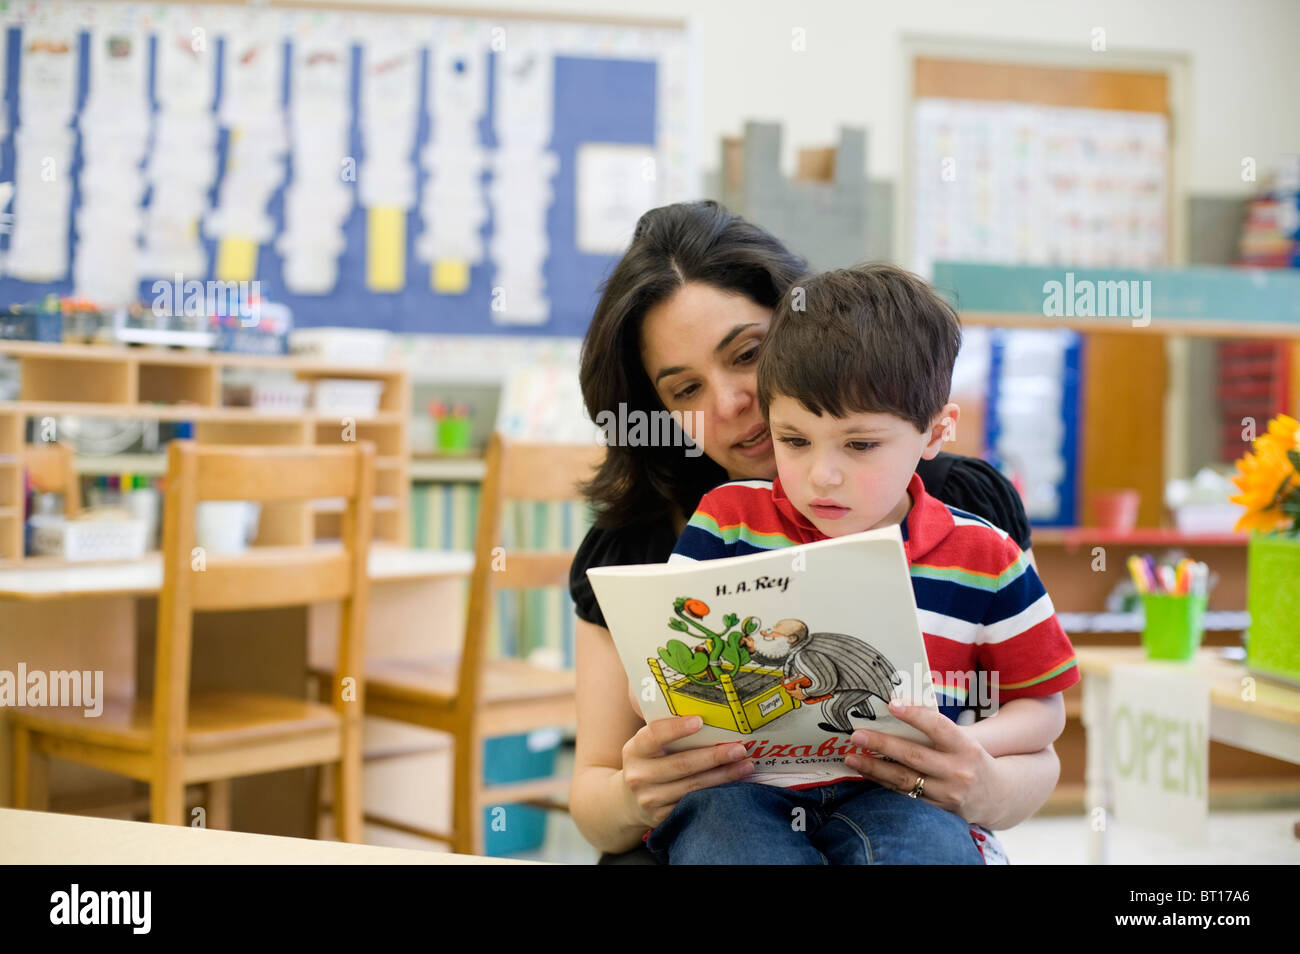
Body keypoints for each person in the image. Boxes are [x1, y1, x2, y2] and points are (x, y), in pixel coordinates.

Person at [568, 200, 1063, 864]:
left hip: (908, 811)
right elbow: (597, 802)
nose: (730, 404)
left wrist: (983, 779)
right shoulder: (672, 532)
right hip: (726, 815)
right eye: (684, 390)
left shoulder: (972, 521)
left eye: (747, 353)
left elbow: (1037, 736)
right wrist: (637, 792)